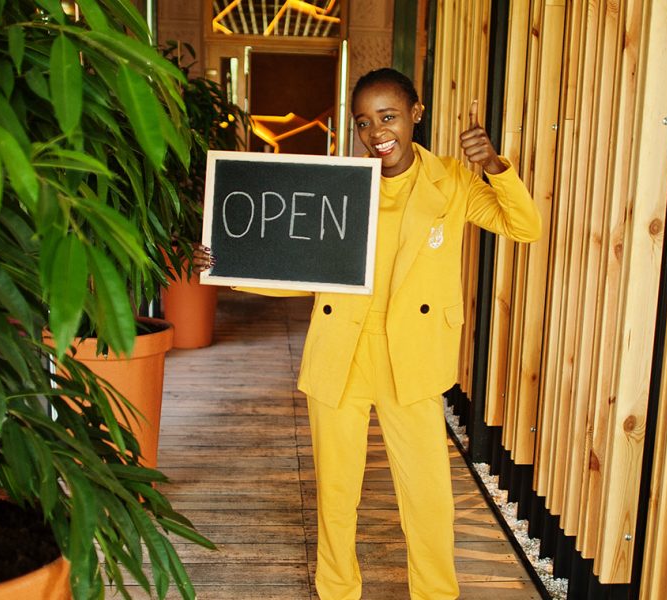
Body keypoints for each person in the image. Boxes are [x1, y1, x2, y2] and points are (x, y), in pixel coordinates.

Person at [200, 67, 541, 599]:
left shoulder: (451, 179)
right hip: (342, 352)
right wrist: (228, 262)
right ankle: (336, 590)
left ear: (415, 115)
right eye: (364, 122)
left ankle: (436, 593)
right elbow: (303, 274)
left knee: (427, 494)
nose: (377, 132)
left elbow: (524, 227)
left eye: (389, 117)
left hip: (413, 357)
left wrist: (494, 166)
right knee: (336, 493)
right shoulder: (345, 189)